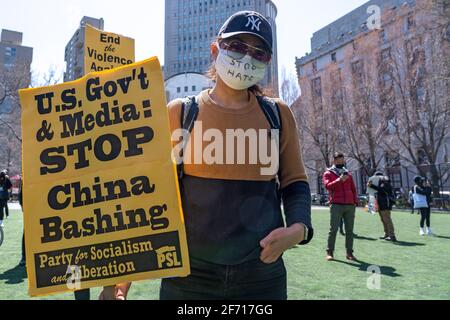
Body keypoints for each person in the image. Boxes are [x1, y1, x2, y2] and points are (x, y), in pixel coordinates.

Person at [113, 11, 314, 300]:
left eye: (259, 53)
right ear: (215, 49)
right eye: (237, 47)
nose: (247, 59)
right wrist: (121, 283)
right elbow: (151, 199)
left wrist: (299, 229)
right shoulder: (180, 113)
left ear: (268, 61)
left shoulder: (278, 114)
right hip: (188, 278)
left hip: (261, 277)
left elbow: (295, 182)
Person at [323, 152, 358, 261]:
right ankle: (330, 252)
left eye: (342, 160)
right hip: (336, 205)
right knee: (333, 229)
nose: (340, 161)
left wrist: (355, 202)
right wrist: (339, 180)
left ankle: (349, 253)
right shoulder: (328, 173)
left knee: (349, 230)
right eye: (338, 160)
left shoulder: (348, 174)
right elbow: (328, 186)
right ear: (334, 161)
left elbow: (353, 189)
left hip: (349, 205)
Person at [368, 172, 397, 242]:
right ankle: (386, 234)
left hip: (385, 203)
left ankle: (392, 235)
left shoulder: (385, 182)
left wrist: (372, 186)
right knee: (383, 220)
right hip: (380, 203)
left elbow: (382, 189)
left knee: (387, 219)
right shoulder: (381, 183)